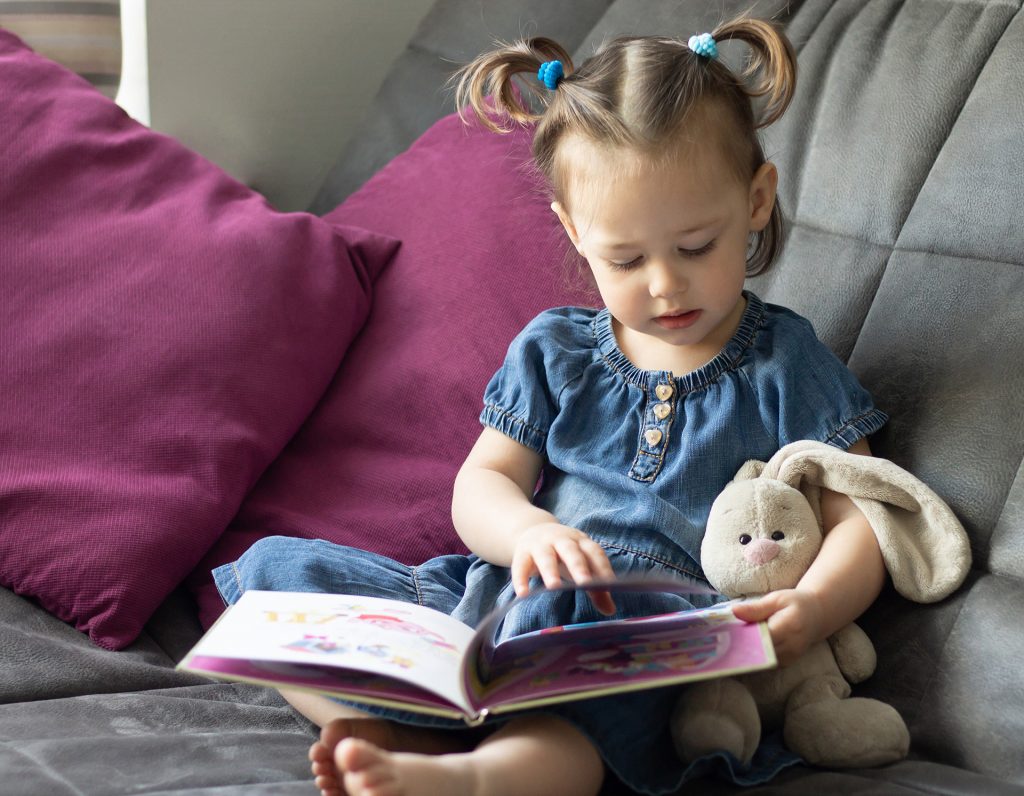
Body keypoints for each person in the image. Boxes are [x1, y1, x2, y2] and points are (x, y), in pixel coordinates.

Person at [213, 14, 890, 796]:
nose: (665, 284)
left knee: (573, 715)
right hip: (501, 596)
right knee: (268, 582)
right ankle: (375, 728)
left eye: (696, 247)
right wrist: (529, 529)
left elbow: (862, 517)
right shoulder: (555, 351)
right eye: (627, 259)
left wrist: (811, 605)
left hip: (644, 633)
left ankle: (473, 780)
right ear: (573, 232)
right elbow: (483, 484)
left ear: (757, 200)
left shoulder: (784, 362)